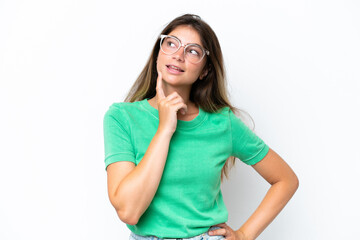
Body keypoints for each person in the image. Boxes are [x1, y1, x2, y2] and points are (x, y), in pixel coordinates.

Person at [103, 14, 299, 240]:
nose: (178, 55)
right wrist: (165, 129)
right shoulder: (121, 118)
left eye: (193, 51)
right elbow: (129, 212)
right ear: (158, 54)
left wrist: (245, 234)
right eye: (171, 43)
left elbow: (286, 180)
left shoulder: (222, 123)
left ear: (204, 70)